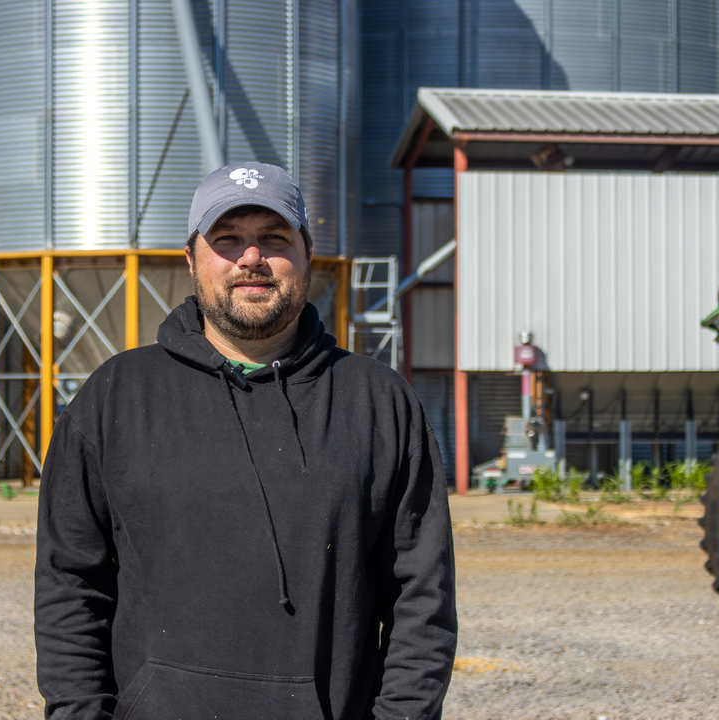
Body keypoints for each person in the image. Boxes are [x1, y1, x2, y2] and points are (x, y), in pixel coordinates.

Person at [34, 161, 456, 720]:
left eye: (273, 238)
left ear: (307, 253)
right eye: (227, 239)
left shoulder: (379, 404)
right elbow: (71, 587)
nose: (251, 258)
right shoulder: (115, 398)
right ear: (191, 260)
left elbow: (422, 600)